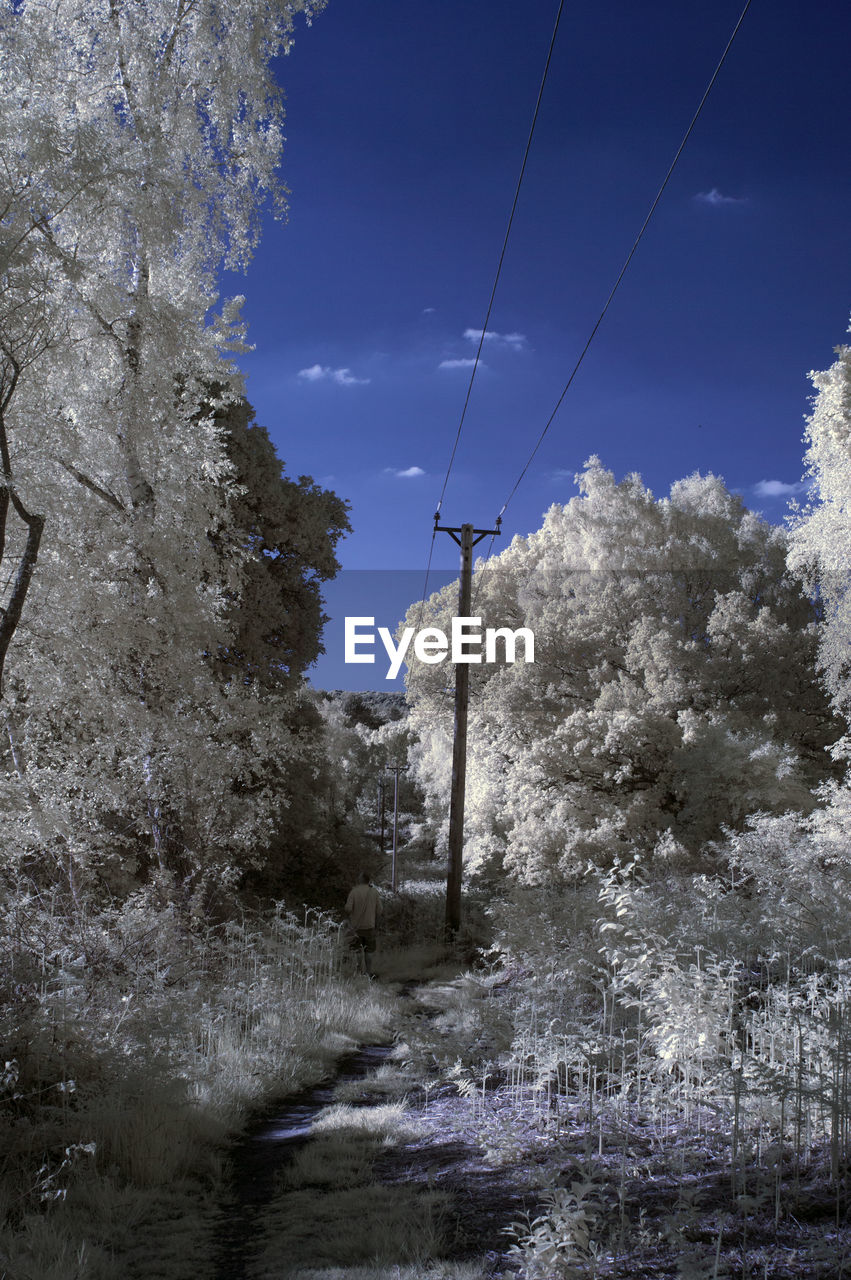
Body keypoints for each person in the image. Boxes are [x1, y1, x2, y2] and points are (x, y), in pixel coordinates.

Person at [344, 871, 381, 976]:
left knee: (358, 950)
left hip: (356, 927)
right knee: (369, 951)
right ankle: (369, 973)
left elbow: (348, 909)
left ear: (360, 880)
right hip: (370, 926)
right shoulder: (374, 892)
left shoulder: (354, 892)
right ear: (368, 880)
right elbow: (380, 910)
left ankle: (359, 972)